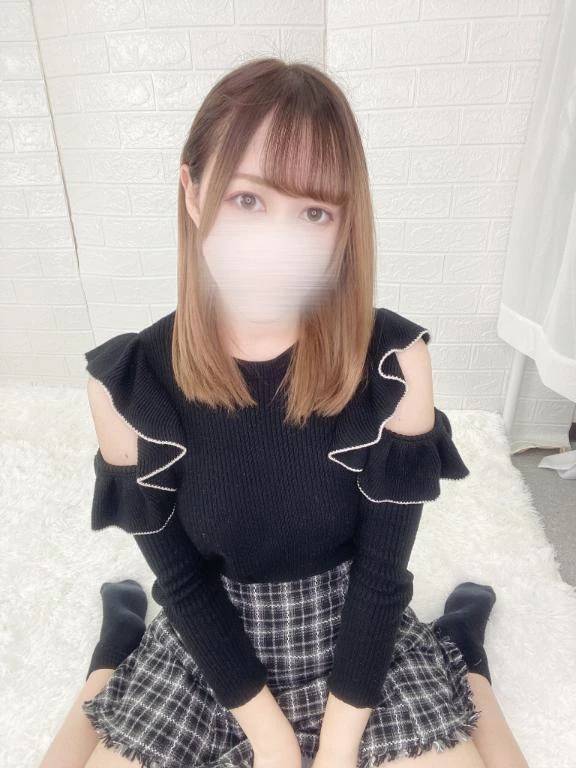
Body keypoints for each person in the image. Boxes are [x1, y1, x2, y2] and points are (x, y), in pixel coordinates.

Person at [39, 58, 529, 768]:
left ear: (344, 225)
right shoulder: (127, 384)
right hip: (213, 642)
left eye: (314, 212)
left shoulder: (394, 363)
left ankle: (463, 652)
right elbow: (181, 580)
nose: (278, 246)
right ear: (192, 191)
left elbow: (382, 574)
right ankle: (114, 652)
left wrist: (334, 749)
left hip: (353, 632)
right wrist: (272, 743)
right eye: (247, 200)